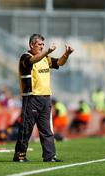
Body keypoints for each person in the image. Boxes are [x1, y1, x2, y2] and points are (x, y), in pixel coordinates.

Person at [13, 34, 74, 162]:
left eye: (43, 45)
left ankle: (50, 156)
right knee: (26, 128)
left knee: (47, 129)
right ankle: (20, 155)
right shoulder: (25, 57)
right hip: (31, 98)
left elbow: (59, 63)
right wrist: (48, 51)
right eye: (39, 44)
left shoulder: (45, 58)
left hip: (46, 98)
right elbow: (33, 60)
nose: (42, 47)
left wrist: (67, 54)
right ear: (31, 45)